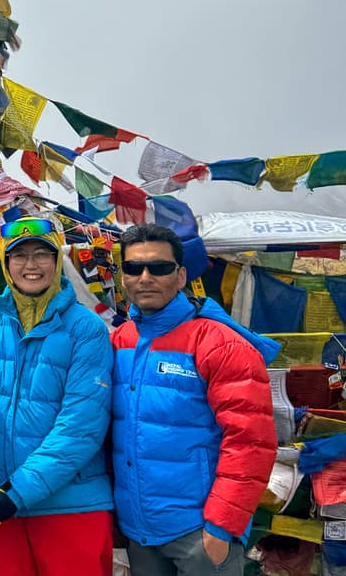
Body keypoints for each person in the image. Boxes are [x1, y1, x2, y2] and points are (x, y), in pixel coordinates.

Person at [112, 223, 277, 575]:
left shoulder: (220, 344)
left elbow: (251, 443)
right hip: (139, 532)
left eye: (159, 267)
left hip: (199, 532)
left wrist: (220, 529)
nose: (145, 277)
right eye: (134, 267)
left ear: (181, 275)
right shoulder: (121, 340)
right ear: (123, 276)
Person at [0, 216, 113, 575]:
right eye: (19, 255)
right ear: (5, 263)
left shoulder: (86, 328)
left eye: (42, 254)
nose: (31, 265)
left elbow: (81, 426)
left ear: (57, 260)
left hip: (67, 505)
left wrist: (15, 493)